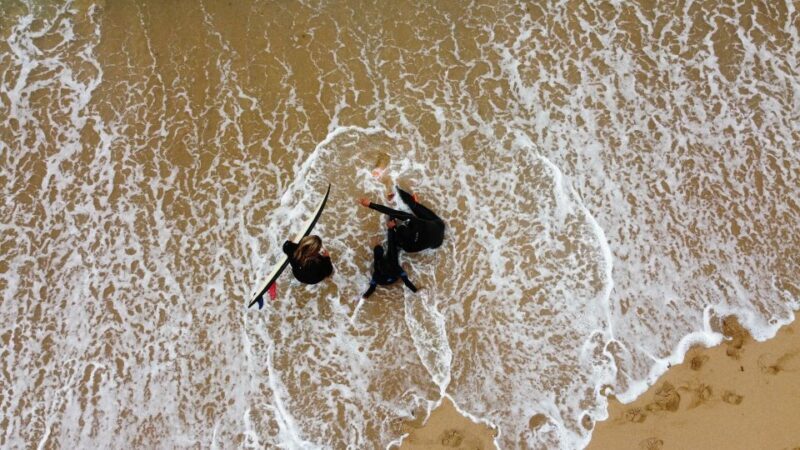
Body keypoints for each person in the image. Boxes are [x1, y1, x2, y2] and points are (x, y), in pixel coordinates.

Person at [358, 187, 445, 253]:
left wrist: (392, 228)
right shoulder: (413, 221)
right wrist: (370, 204)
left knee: (398, 243)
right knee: (414, 206)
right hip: (438, 227)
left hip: (436, 238)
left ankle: (405, 196)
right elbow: (392, 212)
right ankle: (397, 189)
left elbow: (392, 213)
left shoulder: (408, 247)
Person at [362, 224, 418, 298]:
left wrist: (365, 296)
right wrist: (416, 291)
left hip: (384, 281)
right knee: (393, 250)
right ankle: (391, 229)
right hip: (394, 278)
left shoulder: (376, 275)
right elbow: (407, 282)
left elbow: (372, 288)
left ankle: (380, 241)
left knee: (378, 250)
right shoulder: (397, 269)